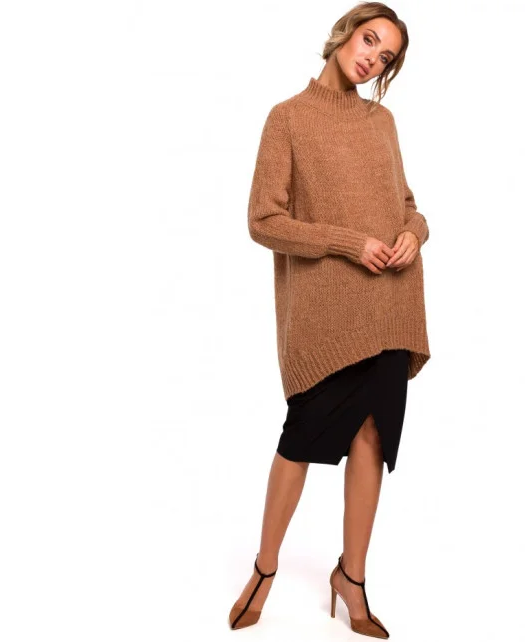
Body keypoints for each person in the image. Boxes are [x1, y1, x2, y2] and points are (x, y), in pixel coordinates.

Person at [229, 3, 431, 637]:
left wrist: (415, 232)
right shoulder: (287, 118)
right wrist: (347, 243)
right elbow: (264, 221)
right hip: (327, 314)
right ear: (344, 33)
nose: (373, 57)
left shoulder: (383, 122)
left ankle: (353, 578)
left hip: (391, 302)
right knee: (299, 441)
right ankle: (265, 568)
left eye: (386, 55)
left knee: (373, 437)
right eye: (369, 39)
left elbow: (407, 204)